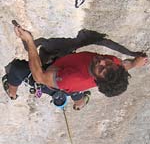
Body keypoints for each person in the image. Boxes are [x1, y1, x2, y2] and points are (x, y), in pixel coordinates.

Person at [2, 24, 148, 110]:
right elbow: (124, 66)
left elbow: (39, 77)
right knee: (76, 93)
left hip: (58, 80)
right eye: (108, 63)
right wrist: (135, 63)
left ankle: (12, 92)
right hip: (70, 74)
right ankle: (80, 103)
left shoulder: (71, 79)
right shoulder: (113, 66)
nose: (102, 62)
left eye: (101, 69)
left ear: (97, 80)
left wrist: (29, 41)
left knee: (16, 69)